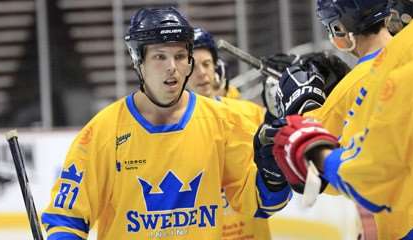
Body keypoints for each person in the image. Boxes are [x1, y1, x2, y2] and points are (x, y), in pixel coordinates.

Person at [40, 7, 291, 239]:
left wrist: (271, 174)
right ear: (139, 61)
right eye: (160, 56)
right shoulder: (103, 132)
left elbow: (258, 202)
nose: (172, 67)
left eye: (180, 56)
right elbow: (67, 218)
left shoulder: (223, 121)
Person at [271, 2, 413, 239]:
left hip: (404, 225)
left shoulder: (363, 81)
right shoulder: (404, 53)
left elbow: (329, 169)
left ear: (338, 27)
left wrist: (300, 110)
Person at [187, 27, 269, 240]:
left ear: (217, 68)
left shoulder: (248, 113)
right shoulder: (169, 129)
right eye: (193, 66)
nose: (202, 72)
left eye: (206, 64)